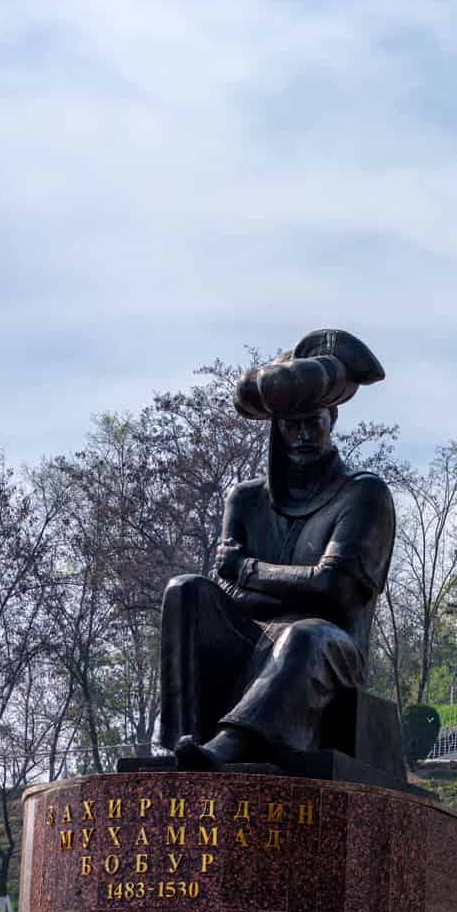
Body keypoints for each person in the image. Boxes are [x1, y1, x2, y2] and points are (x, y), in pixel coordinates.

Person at [158, 329, 395, 771]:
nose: (303, 434)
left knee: (304, 632)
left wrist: (247, 570)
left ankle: (231, 745)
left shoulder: (363, 495)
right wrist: (284, 586)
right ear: (276, 428)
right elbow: (231, 596)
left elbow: (334, 591)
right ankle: (177, 743)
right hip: (252, 633)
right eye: (291, 424)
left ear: (333, 419)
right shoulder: (246, 500)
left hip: (330, 645)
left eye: (313, 421)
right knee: (185, 590)